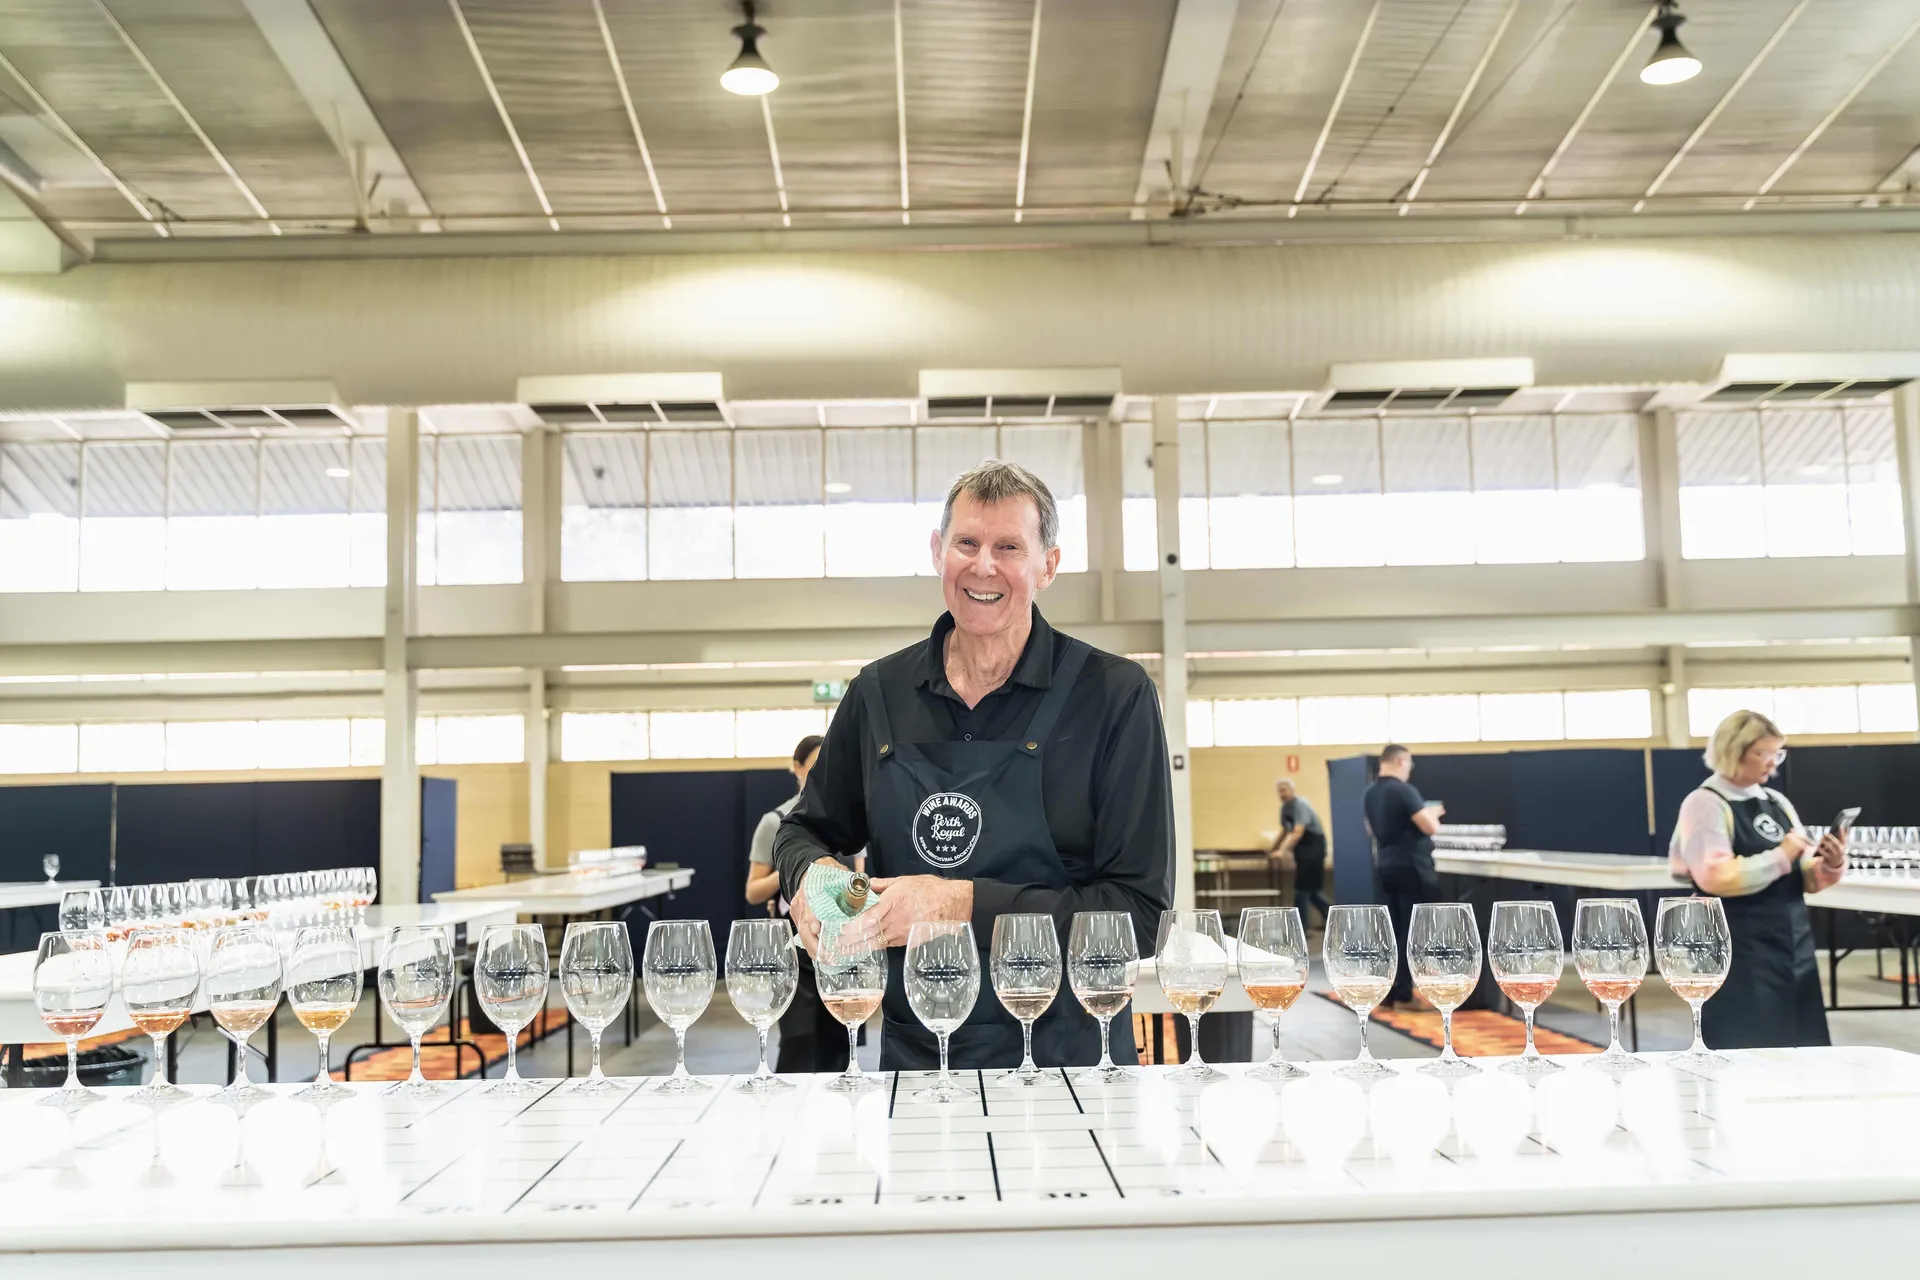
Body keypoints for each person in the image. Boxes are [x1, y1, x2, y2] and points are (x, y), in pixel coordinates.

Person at [774, 459, 1175, 1071]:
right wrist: (811, 878)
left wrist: (957, 904)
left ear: (1048, 565)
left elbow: (1137, 917)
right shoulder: (878, 693)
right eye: (967, 542)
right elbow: (804, 830)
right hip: (920, 1055)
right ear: (938, 552)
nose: (983, 565)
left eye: (1009, 546)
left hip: (1071, 1058)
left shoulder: (1113, 696)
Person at [1669, 709, 1846, 1049]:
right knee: (1749, 1043)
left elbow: (1803, 874)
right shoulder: (1705, 803)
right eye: (1762, 754)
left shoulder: (1775, 800)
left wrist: (1830, 864)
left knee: (1801, 1044)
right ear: (1732, 751)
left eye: (1776, 753)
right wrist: (1782, 855)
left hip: (1791, 945)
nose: (1772, 763)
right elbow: (1714, 876)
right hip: (1740, 947)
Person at [747, 734, 851, 1072]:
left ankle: (837, 1115)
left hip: (837, 937)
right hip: (793, 941)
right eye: (815, 767)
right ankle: (789, 1115)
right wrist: (800, 866)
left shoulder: (850, 822)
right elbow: (752, 891)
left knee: (840, 1038)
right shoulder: (774, 820)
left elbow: (857, 878)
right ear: (796, 769)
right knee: (799, 1041)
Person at [1362, 744, 1444, 1007]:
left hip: (1385, 864)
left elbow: (1370, 829)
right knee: (1413, 931)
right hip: (1412, 866)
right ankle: (1405, 993)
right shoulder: (1404, 790)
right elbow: (1430, 827)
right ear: (1400, 761)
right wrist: (1433, 813)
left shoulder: (1370, 792)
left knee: (1391, 929)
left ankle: (1389, 991)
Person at [1269, 778, 1329, 928]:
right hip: (1302, 850)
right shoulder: (1285, 808)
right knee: (1312, 890)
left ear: (1292, 790)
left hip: (1313, 848)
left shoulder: (1300, 805)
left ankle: (1301, 927)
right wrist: (1272, 848)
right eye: (1279, 790)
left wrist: (1282, 851)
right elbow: (1285, 830)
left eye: (1284, 790)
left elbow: (1297, 832)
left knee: (1302, 889)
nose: (1281, 793)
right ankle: (1332, 918)